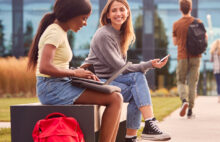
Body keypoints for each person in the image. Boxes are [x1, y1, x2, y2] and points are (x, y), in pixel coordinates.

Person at [27, 0, 123, 141]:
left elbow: (57, 65)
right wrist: (74, 73)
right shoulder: (54, 32)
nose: (85, 23)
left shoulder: (59, 31)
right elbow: (44, 67)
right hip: (52, 88)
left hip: (58, 84)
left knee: (116, 96)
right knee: (115, 99)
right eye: (83, 18)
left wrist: (79, 73)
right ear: (71, 14)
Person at [82, 0, 170, 141]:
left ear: (128, 12)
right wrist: (148, 65)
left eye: (122, 9)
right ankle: (149, 123)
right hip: (99, 81)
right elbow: (120, 67)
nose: (119, 13)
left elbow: (121, 69)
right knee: (137, 77)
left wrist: (147, 65)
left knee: (138, 90)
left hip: (112, 79)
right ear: (108, 15)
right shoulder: (104, 34)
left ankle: (131, 137)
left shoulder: (122, 33)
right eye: (114, 10)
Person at [173, 0, 206, 119]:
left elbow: (175, 42)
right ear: (190, 9)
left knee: (181, 81)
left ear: (180, 9)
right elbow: (205, 38)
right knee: (192, 83)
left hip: (182, 56)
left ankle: (184, 100)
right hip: (196, 56)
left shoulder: (176, 24)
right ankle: (190, 110)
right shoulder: (198, 22)